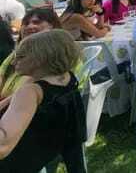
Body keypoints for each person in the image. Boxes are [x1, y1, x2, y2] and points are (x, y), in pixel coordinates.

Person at [0, 30, 86, 173]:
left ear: (42, 59)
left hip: (18, 162)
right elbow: (12, 99)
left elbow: (3, 147)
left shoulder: (30, 93)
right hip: (47, 152)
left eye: (20, 57)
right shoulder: (66, 78)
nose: (14, 62)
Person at [0, 8, 62, 100]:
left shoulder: (57, 57)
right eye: (26, 23)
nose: (29, 26)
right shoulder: (15, 54)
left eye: (36, 22)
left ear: (52, 26)